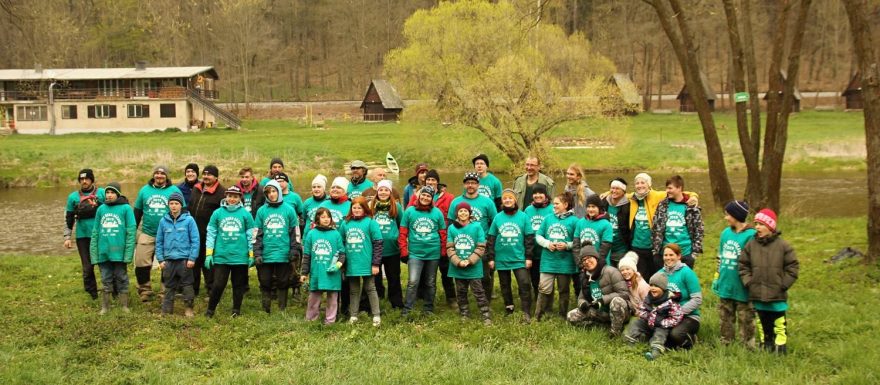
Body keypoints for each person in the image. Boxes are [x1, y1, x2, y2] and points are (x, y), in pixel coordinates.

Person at [740, 209, 799, 354]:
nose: (757, 227)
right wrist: (749, 282)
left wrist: (783, 285)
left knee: (779, 322)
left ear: (771, 227)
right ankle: (766, 344)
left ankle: (780, 346)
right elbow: (743, 265)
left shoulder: (784, 246)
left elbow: (793, 267)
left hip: (776, 294)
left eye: (761, 224)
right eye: (756, 224)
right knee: (762, 321)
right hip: (757, 292)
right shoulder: (751, 245)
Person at [627, 173, 698, 280]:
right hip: (638, 246)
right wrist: (608, 192)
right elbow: (618, 192)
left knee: (661, 277)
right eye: (637, 183)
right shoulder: (632, 197)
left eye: (643, 182)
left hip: (654, 246)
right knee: (643, 277)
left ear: (649, 184)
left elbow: (681, 192)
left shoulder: (658, 195)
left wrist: (694, 196)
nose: (639, 185)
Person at [133, 165, 184, 301]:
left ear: (167, 176)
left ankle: (165, 291)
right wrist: (132, 232)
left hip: (169, 233)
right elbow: (137, 212)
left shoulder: (174, 190)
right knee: (141, 261)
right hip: (147, 232)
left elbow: (183, 212)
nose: (159, 176)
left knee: (168, 263)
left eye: (162, 174)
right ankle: (145, 290)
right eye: (157, 173)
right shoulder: (144, 190)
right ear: (153, 175)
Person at [204, 186, 257, 318]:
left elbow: (251, 235)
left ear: (240, 198)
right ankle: (210, 310)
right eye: (229, 196)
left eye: (235, 196)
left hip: (240, 256)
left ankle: (236, 310)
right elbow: (211, 233)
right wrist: (209, 254)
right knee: (218, 284)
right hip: (222, 256)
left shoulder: (245, 214)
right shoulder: (217, 213)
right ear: (225, 196)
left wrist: (251, 254)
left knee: (238, 285)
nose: (232, 199)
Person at [712, 200, 757, 348]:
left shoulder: (751, 235)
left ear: (736, 216)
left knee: (746, 317)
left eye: (728, 215)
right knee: (725, 315)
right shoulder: (725, 233)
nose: (726, 218)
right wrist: (717, 278)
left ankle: (748, 344)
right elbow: (720, 256)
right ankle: (726, 341)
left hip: (742, 285)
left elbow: (754, 261)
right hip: (726, 282)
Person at [449, 172, 498, 303]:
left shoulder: (487, 202)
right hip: (462, 244)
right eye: (468, 183)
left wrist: (489, 241)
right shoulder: (456, 202)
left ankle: (486, 301)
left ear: (478, 184)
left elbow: (494, 222)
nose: (470, 185)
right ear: (464, 184)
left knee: (485, 276)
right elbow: (450, 223)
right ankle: (463, 303)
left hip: (482, 244)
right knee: (461, 275)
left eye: (473, 183)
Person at [398, 186, 447, 317]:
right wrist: (403, 250)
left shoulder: (437, 213)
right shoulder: (409, 211)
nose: (425, 198)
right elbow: (403, 232)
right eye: (423, 195)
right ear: (419, 196)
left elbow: (443, 233)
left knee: (430, 282)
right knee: (413, 281)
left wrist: (443, 252)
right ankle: (407, 309)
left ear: (432, 199)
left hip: (433, 253)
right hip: (415, 253)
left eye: (428, 196)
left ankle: (428, 308)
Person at [253, 180, 301, 313]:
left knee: (283, 281)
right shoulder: (262, 211)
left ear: (279, 192)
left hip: (284, 253)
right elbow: (257, 233)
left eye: (274, 191)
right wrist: (257, 253)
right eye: (268, 192)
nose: (272, 194)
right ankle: (266, 308)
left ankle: (282, 308)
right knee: (265, 281)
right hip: (266, 253)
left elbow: (295, 232)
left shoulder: (289, 210)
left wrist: (294, 249)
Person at [487, 188, 534, 322]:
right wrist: (491, 257)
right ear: (502, 201)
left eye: (510, 198)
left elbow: (529, 238)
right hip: (501, 258)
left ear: (515, 200)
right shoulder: (498, 217)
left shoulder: (523, 216)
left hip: (519, 258)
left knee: (524, 283)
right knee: (505, 285)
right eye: (505, 198)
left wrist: (528, 257)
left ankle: (526, 311)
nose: (507, 200)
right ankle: (509, 308)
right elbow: (491, 238)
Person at [410, 169, 455, 306]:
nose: (430, 182)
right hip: (424, 239)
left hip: (444, 237)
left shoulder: (448, 197)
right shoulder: (417, 195)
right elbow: (410, 213)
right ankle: (422, 296)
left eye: (433, 180)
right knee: (424, 271)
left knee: (445, 269)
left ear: (437, 182)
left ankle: (451, 297)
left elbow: (453, 216)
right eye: (428, 179)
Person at [89, 182, 135, 314]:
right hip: (103, 252)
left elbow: (131, 232)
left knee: (122, 278)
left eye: (112, 192)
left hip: (119, 253)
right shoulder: (101, 209)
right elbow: (95, 232)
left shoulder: (126, 209)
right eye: (107, 193)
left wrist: (128, 254)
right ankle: (105, 306)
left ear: (118, 194)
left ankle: (124, 305)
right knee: (105, 278)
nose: (109, 195)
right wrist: (94, 253)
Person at [566, 245, 630, 337]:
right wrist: (583, 304)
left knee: (617, 301)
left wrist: (602, 300)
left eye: (589, 258)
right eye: (584, 260)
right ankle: (602, 325)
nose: (587, 262)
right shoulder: (584, 277)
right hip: (599, 312)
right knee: (570, 316)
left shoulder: (611, 271)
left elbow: (624, 294)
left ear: (596, 258)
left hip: (619, 311)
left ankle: (615, 332)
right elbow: (581, 298)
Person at [534, 192, 579, 321]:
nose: (554, 206)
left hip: (565, 262)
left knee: (564, 289)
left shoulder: (574, 221)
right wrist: (547, 244)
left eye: (557, 203)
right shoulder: (548, 219)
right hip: (548, 261)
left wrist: (566, 245)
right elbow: (538, 235)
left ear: (565, 204)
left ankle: (563, 314)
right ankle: (539, 315)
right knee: (544, 288)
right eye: (554, 203)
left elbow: (577, 241)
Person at [340, 197, 383, 326]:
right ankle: (353, 315)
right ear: (351, 209)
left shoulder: (371, 222)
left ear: (365, 209)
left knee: (370, 288)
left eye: (359, 208)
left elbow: (378, 243)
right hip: (352, 263)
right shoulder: (345, 223)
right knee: (353, 290)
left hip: (367, 263)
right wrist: (342, 262)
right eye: (354, 208)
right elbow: (341, 243)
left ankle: (376, 315)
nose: (357, 210)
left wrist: (375, 263)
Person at [64, 168, 106, 300]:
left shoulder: (103, 193)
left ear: (92, 179)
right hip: (82, 236)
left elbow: (117, 207)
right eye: (81, 179)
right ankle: (92, 293)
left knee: (105, 263)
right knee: (87, 267)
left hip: (102, 234)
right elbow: (69, 218)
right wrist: (67, 237)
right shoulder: (73, 197)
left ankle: (111, 290)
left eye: (86, 179)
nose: (84, 181)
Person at [155, 192, 199, 317]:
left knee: (187, 285)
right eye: (171, 203)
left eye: (176, 203)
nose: (173, 206)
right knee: (169, 286)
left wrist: (192, 258)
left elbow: (195, 240)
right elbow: (159, 241)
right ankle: (166, 310)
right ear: (168, 205)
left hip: (184, 260)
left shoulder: (189, 220)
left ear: (181, 205)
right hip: (168, 261)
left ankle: (189, 308)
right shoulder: (163, 221)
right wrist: (160, 259)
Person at [446, 202, 491, 325]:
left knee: (478, 291)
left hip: (474, 266)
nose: (463, 213)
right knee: (461, 292)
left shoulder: (477, 227)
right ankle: (464, 313)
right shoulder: (451, 228)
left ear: (470, 213)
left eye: (466, 211)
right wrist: (458, 261)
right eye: (460, 211)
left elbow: (481, 246)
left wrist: (470, 260)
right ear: (457, 213)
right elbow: (449, 248)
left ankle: (485, 314)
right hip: (458, 267)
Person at [624, 272, 684, 361]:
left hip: (662, 325)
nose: (653, 288)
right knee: (635, 322)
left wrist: (662, 322)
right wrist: (647, 316)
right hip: (649, 322)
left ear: (663, 288)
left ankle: (656, 350)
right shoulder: (648, 298)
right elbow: (642, 309)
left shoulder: (671, 302)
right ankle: (631, 340)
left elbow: (676, 317)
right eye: (651, 285)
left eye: (656, 286)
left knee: (660, 333)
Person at [301, 208, 346, 324]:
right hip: (316, 272)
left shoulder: (336, 234)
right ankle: (311, 319)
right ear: (317, 219)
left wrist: (338, 265)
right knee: (314, 298)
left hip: (332, 273)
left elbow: (342, 253)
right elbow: (307, 255)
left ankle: (330, 320)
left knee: (332, 298)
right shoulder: (311, 234)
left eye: (328, 217)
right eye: (323, 217)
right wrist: (304, 273)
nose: (326, 219)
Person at [651, 175, 704, 268]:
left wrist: (694, 254)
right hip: (665, 254)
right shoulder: (663, 205)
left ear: (679, 188)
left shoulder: (691, 206)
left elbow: (699, 230)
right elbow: (655, 227)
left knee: (682, 281)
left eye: (670, 188)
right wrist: (655, 251)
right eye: (666, 188)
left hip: (685, 253)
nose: (667, 191)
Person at [188, 164, 225, 297]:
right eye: (204, 174)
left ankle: (211, 290)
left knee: (208, 263)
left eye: (209, 174)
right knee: (194, 261)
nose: (206, 177)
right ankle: (193, 289)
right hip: (194, 233)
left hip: (210, 235)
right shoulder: (196, 189)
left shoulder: (222, 193)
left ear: (216, 177)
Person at [658, 243, 703, 349]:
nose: (668, 258)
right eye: (666, 255)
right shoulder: (660, 274)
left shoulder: (687, 273)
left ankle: (690, 340)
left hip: (688, 316)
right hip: (667, 315)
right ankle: (672, 344)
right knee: (656, 332)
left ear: (678, 256)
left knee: (676, 334)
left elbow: (697, 299)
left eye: (671, 255)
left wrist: (679, 312)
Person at [369, 180, 405, 309]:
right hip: (375, 249)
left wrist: (398, 240)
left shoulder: (396, 206)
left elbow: (402, 225)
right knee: (376, 277)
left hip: (392, 249)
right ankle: (377, 299)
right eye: (381, 190)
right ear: (377, 191)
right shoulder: (371, 206)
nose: (383, 192)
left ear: (390, 192)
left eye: (386, 190)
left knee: (393, 276)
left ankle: (396, 302)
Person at [523, 184, 553, 299]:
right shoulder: (528, 209)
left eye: (540, 193)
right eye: (535, 193)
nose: (537, 195)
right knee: (534, 278)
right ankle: (537, 298)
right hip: (532, 250)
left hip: (547, 250)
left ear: (545, 195)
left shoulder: (551, 209)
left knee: (546, 278)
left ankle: (547, 300)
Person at [573, 194, 614, 264]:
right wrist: (579, 263)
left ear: (599, 208)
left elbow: (604, 249)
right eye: (588, 207)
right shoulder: (580, 222)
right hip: (583, 264)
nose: (590, 209)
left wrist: (596, 264)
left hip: (600, 264)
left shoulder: (606, 224)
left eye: (593, 207)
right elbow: (576, 246)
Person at [604, 178, 631, 265]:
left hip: (621, 249)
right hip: (606, 247)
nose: (614, 191)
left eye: (617, 188)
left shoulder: (628, 205)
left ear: (623, 191)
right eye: (612, 188)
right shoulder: (604, 202)